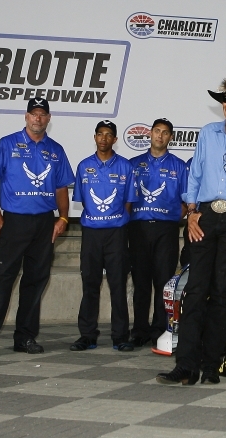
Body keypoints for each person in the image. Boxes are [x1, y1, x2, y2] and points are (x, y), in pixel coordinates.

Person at [156, 75, 226, 385]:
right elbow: (195, 176)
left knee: (221, 292)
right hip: (203, 218)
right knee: (195, 291)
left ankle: (211, 366)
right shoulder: (207, 133)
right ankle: (186, 365)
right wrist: (191, 212)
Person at [0, 98, 74, 359]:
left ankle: (25, 337)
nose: (37, 119)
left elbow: (62, 187)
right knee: (2, 280)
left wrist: (63, 218)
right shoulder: (7, 143)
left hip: (43, 223)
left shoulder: (56, 150)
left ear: (48, 119)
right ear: (26, 117)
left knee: (35, 282)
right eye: (33, 114)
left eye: (42, 114)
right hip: (14, 221)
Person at [70, 120, 138, 352]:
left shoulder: (126, 167)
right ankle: (87, 336)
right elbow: (81, 199)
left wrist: (117, 221)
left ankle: (120, 336)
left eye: (109, 135)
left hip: (116, 233)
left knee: (117, 284)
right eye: (100, 134)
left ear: (115, 140)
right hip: (91, 233)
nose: (104, 138)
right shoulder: (83, 166)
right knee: (90, 283)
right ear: (95, 137)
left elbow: (129, 201)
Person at [127, 118, 187, 347]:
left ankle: (161, 329)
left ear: (170, 137)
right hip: (139, 228)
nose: (160, 136)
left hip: (166, 230)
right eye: (156, 131)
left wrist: (173, 218)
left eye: (165, 133)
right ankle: (139, 330)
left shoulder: (179, 166)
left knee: (164, 281)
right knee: (141, 281)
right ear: (150, 134)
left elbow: (187, 200)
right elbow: (126, 199)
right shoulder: (133, 164)